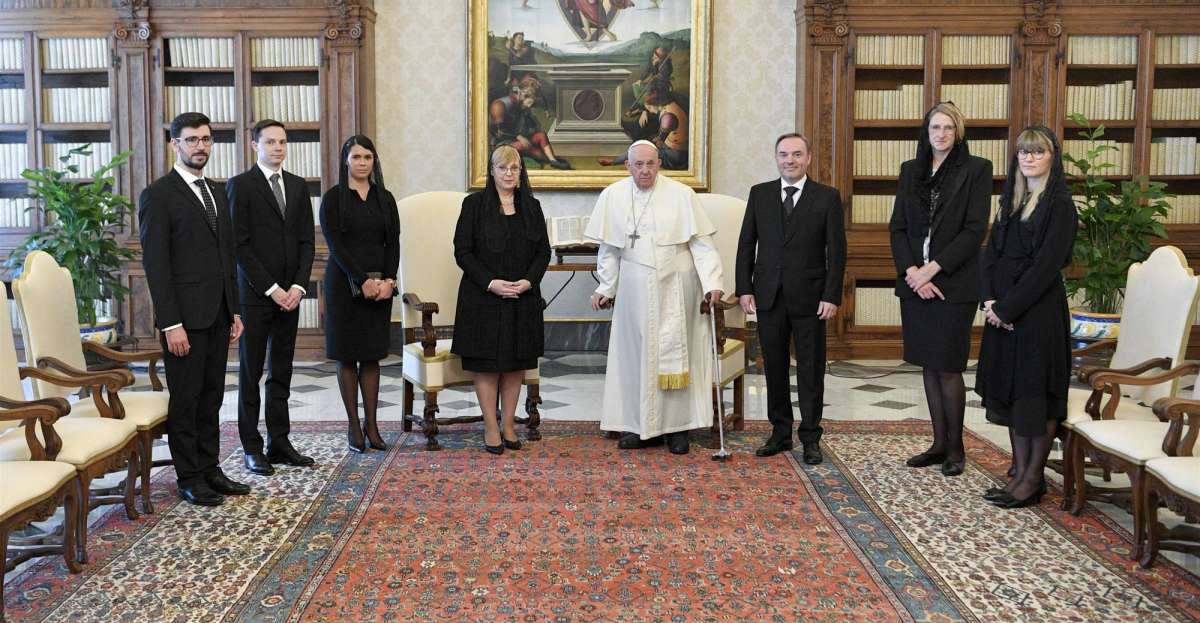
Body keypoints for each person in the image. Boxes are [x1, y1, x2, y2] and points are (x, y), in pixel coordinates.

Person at [585, 140, 724, 455]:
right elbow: (609, 250)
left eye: (651, 163)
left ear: (660, 163)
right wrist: (606, 287)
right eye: (638, 164)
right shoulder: (613, 196)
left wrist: (712, 282)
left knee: (678, 356)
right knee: (635, 359)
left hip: (677, 284)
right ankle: (638, 427)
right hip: (634, 288)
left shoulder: (682, 194)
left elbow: (702, 245)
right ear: (628, 166)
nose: (645, 170)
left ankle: (677, 429)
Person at [139, 112, 247, 506]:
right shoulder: (158, 195)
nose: (200, 146)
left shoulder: (217, 191)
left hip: (218, 313)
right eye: (191, 140)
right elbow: (157, 265)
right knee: (186, 399)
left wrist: (234, 310)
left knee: (212, 396)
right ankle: (189, 477)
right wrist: (171, 323)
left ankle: (210, 468)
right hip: (183, 319)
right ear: (175, 145)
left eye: (205, 139)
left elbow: (227, 256)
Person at [976, 126, 1077, 509]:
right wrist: (989, 301)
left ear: (1052, 157)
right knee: (1014, 394)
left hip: (1037, 317)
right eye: (1023, 152)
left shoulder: (1060, 205)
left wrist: (1007, 309)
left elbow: (1044, 268)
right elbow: (990, 254)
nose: (1029, 158)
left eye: (1037, 152)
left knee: (1035, 397)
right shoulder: (1012, 200)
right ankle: (1019, 472)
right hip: (1002, 312)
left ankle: (1033, 480)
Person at [889, 102, 992, 477]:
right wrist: (913, 273)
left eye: (949, 127)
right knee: (928, 366)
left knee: (948, 367)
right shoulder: (910, 170)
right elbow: (898, 228)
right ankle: (937, 444)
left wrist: (932, 270)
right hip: (915, 284)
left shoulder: (977, 169)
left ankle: (956, 448)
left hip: (954, 284)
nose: (942, 133)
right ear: (926, 131)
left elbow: (974, 230)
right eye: (936, 127)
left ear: (958, 132)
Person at [735, 133, 846, 465]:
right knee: (774, 368)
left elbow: (837, 252)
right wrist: (744, 288)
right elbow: (746, 245)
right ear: (776, 158)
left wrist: (831, 295)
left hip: (811, 298)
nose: (790, 160)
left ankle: (811, 437)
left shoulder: (827, 197)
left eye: (797, 154)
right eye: (784, 154)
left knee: (810, 369)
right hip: (768, 295)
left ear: (808, 158)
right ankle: (780, 433)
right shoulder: (760, 194)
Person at [227, 119, 316, 476]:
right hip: (255, 297)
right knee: (251, 374)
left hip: (291, 296)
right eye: (270, 142)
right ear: (255, 146)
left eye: (282, 142)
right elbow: (240, 246)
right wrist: (272, 289)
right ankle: (251, 447)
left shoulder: (297, 186)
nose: (278, 148)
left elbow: (307, 242)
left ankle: (279, 441)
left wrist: (298, 287)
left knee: (282, 372)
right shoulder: (240, 186)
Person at [451, 145, 551, 455]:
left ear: (521, 172)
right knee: (487, 365)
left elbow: (543, 252)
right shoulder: (473, 205)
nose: (509, 173)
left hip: (523, 297)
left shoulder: (532, 206)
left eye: (514, 168)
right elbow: (462, 251)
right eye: (502, 168)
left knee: (515, 364)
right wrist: (491, 283)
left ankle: (508, 424)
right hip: (483, 298)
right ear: (492, 171)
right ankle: (490, 427)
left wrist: (528, 281)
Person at [320, 136, 400, 454]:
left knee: (371, 355)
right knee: (347, 355)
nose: (362, 162)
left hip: (380, 289)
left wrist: (390, 280)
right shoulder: (333, 198)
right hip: (343, 286)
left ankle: (372, 425)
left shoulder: (385, 198)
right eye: (356, 157)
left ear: (374, 161)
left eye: (368, 157)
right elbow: (336, 246)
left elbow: (393, 243)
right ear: (346, 160)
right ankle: (353, 424)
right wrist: (361, 279)